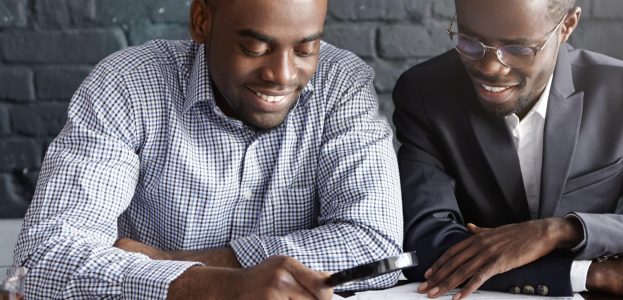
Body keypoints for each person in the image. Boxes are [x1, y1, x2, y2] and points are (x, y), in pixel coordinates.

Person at [13, 0, 403, 299]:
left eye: (306, 50)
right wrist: (218, 288)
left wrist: (167, 262)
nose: (283, 75)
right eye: (255, 48)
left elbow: (376, 245)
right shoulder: (128, 85)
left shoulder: (341, 85)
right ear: (201, 21)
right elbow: (43, 259)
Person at [393, 0, 623, 299]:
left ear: (567, 26)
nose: (490, 67)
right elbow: (428, 246)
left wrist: (561, 231)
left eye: (517, 49)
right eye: (471, 42)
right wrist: (597, 273)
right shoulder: (425, 95)